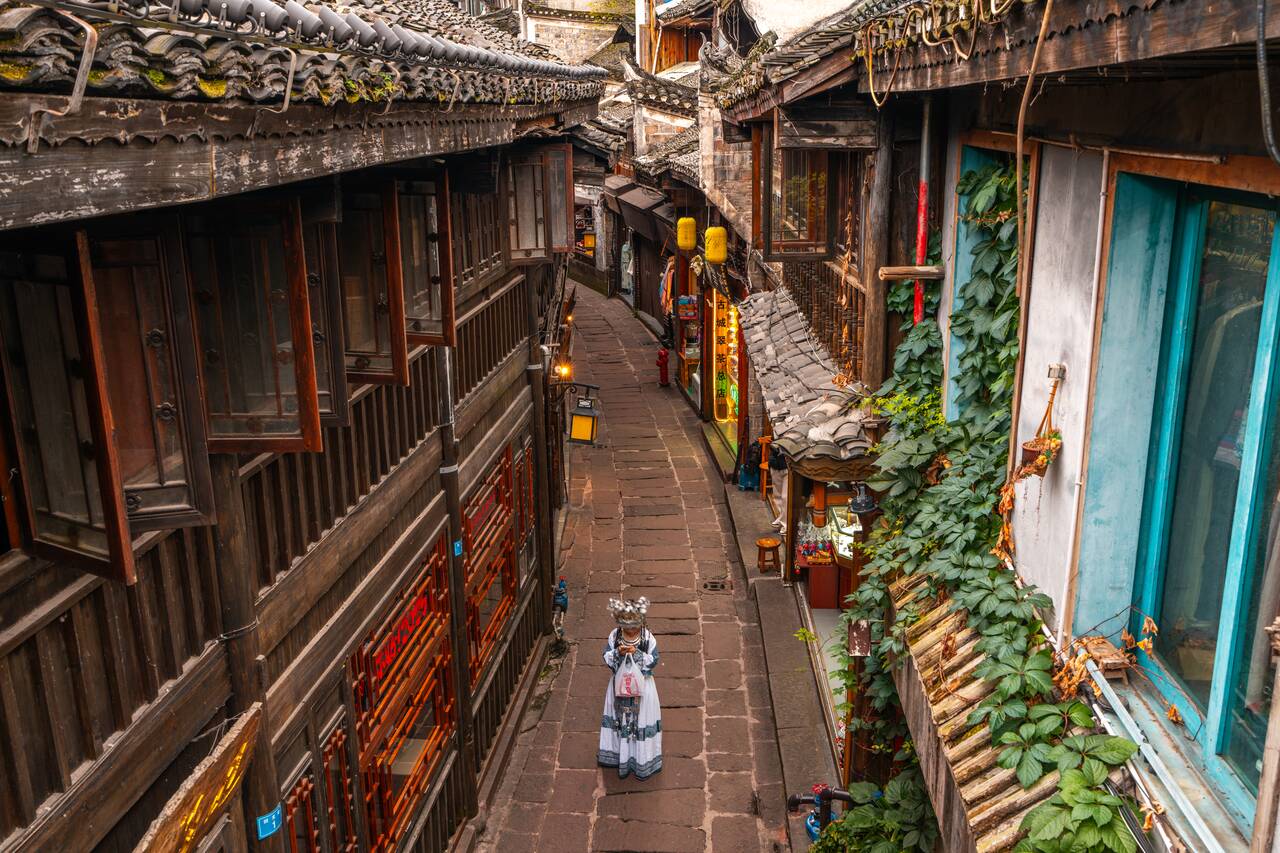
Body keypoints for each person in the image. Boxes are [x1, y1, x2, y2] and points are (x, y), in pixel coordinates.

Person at [598, 597, 662, 779]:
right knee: (620, 719)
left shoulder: (648, 638)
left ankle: (641, 759)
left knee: (639, 721)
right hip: (619, 687)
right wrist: (618, 652)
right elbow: (606, 656)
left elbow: (653, 661)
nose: (631, 630)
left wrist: (638, 654)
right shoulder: (615, 636)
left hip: (642, 689)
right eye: (627, 627)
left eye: (634, 626)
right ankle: (619, 755)